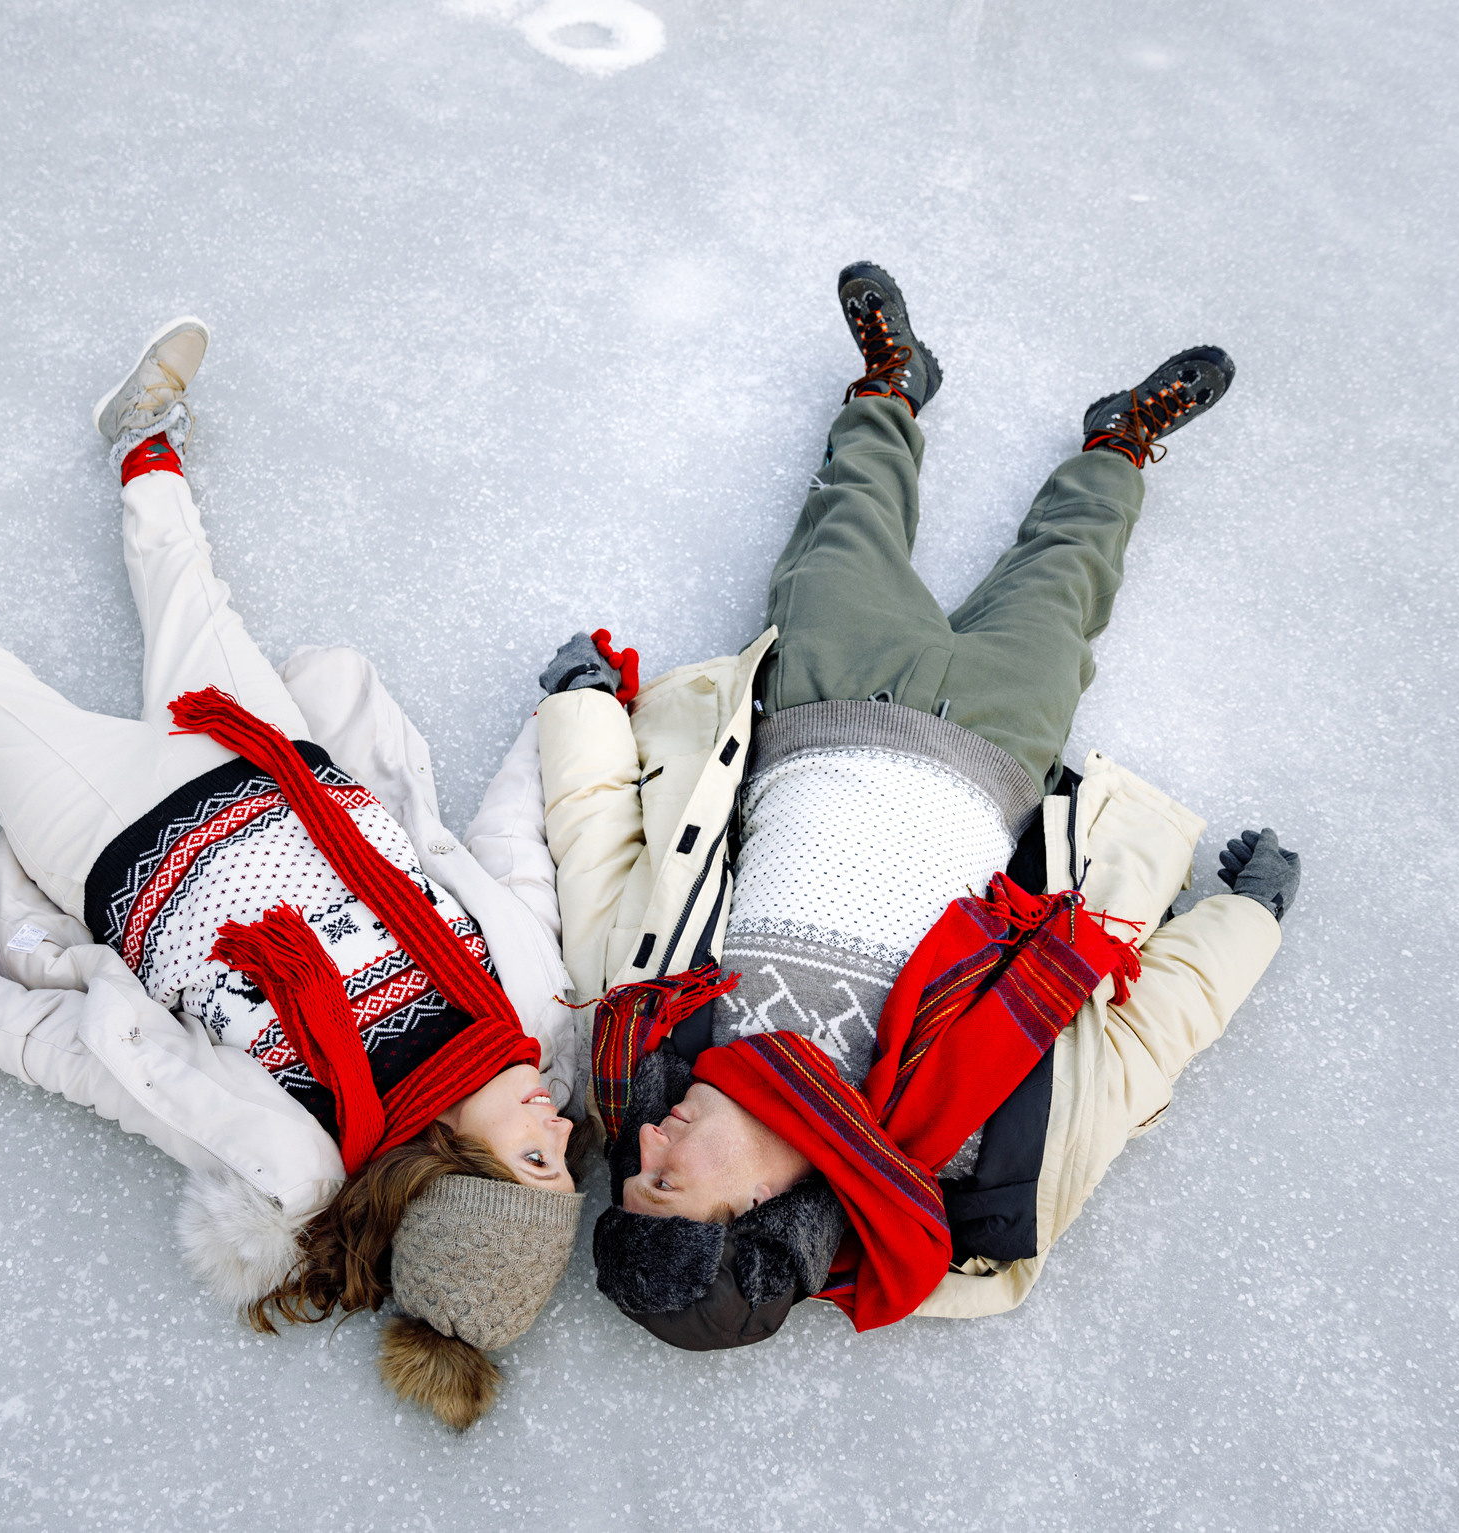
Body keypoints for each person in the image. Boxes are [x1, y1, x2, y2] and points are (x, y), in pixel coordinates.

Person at [0, 318, 587, 1427]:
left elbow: (111, 1072)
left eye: (538, 1159)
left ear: (455, 1175)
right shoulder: (527, 1010)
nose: (558, 1121)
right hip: (263, 759)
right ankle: (144, 442)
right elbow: (512, 859)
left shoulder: (296, 1149)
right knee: (190, 595)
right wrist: (574, 711)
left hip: (108, 839)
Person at [536, 264, 1302, 1348]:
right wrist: (1248, 917)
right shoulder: (953, 1155)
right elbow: (1137, 1054)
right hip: (994, 746)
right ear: (747, 1211)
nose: (643, 1146)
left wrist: (580, 713)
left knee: (842, 528)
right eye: (663, 1182)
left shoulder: (653, 1043)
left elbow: (596, 861)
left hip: (821, 697)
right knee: (1063, 582)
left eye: (632, 1175)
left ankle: (891, 389)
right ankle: (1117, 447)